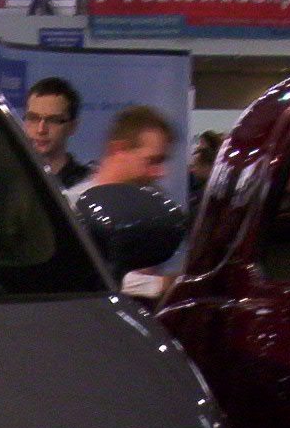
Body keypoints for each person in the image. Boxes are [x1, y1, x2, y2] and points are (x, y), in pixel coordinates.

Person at [72, 104, 180, 300]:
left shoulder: (152, 205)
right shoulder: (72, 208)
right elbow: (88, 276)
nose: (160, 172)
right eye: (152, 161)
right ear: (118, 150)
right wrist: (161, 284)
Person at [22, 76, 92, 191]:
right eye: (33, 118)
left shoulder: (85, 185)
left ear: (72, 127)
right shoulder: (9, 177)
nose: (41, 130)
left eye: (53, 120)